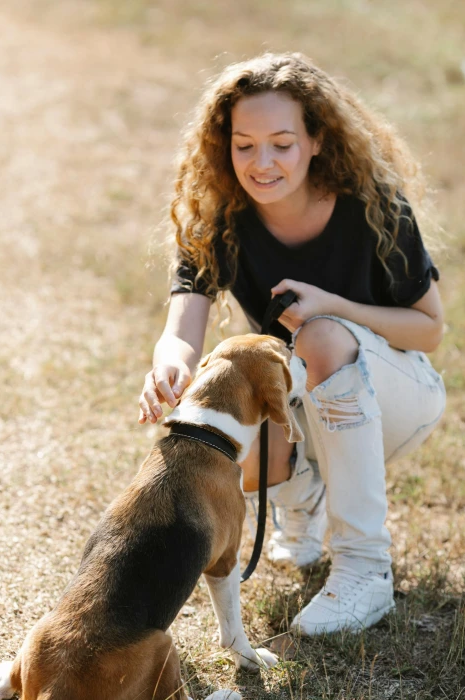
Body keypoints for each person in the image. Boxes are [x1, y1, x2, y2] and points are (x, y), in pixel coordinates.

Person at [138, 53, 446, 635]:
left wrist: (334, 307)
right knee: (220, 409)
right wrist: (170, 370)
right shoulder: (218, 220)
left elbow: (429, 327)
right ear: (224, 145)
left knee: (320, 335)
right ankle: (302, 501)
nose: (262, 162)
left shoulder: (373, 206)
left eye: (282, 143)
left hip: (401, 395)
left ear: (316, 140)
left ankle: (364, 569)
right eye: (245, 144)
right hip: (306, 400)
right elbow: (182, 331)